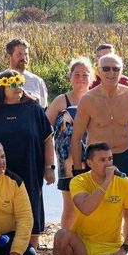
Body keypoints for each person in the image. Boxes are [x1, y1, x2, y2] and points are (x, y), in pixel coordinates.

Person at [69, 52, 128, 255]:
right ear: (98, 71)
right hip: (97, 160)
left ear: (121, 71)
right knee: (99, 207)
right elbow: (77, 136)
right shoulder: (88, 99)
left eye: (115, 69)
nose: (111, 73)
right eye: (106, 69)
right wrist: (79, 167)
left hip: (124, 156)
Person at [0, 70, 54, 255]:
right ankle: (0, 252)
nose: (18, 87)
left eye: (20, 83)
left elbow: (48, 139)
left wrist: (49, 167)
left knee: (31, 208)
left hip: (30, 167)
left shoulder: (33, 109)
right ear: (3, 87)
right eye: (13, 84)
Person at [53, 142, 128, 255]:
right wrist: (107, 182)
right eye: (102, 160)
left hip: (110, 247)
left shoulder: (124, 182)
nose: (108, 164)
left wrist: (124, 249)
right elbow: (86, 208)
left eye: (110, 159)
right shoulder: (78, 181)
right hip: (82, 246)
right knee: (61, 235)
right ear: (89, 163)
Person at [45, 57, 94, 233]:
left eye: (85, 75)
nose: (81, 78)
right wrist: (47, 164)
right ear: (70, 77)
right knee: (70, 205)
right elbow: (44, 130)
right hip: (67, 162)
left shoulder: (96, 99)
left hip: (93, 160)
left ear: (92, 77)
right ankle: (65, 241)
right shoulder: (61, 100)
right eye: (77, 74)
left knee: (92, 202)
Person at [0, 37, 50, 107]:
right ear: (8, 57)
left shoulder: (37, 81)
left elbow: (43, 110)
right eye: (19, 54)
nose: (24, 58)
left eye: (26, 54)